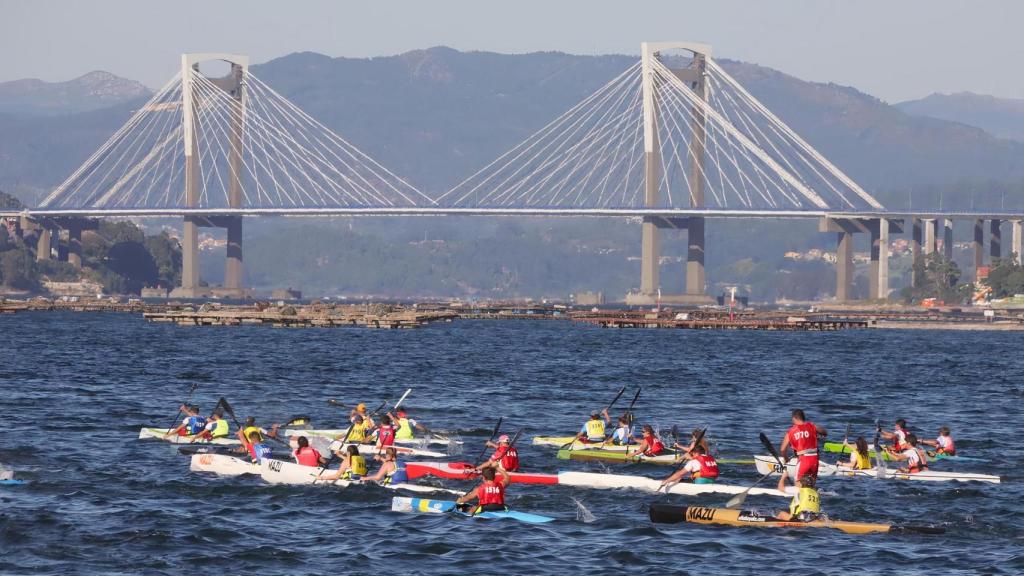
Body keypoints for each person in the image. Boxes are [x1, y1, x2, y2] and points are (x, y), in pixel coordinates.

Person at [779, 409, 826, 483]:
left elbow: (782, 449)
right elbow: (824, 432)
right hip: (815, 459)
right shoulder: (812, 426)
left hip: (803, 460)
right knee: (811, 484)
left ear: (794, 418)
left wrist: (786, 458)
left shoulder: (791, 431)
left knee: (798, 483)